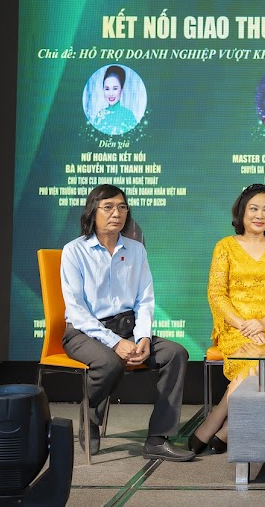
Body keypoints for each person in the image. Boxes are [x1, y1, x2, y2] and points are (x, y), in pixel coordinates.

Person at [60, 184, 195, 462]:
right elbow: (77, 310)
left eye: (122, 207)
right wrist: (115, 343)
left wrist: (143, 337)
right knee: (109, 363)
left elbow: (144, 300)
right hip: (84, 332)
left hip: (128, 329)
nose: (116, 213)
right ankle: (90, 414)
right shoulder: (74, 251)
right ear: (92, 211)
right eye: (108, 207)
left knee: (175, 354)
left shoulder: (136, 250)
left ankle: (158, 439)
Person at [191, 184, 265, 454]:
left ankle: (221, 424)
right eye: (254, 208)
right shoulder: (225, 247)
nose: (259, 215)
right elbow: (216, 294)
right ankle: (222, 428)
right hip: (235, 328)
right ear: (242, 211)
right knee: (260, 357)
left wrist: (264, 323)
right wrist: (244, 326)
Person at [91, 65, 138, 135]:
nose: (111, 93)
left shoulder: (128, 115)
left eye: (115, 88)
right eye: (107, 89)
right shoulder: (100, 115)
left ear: (121, 89)